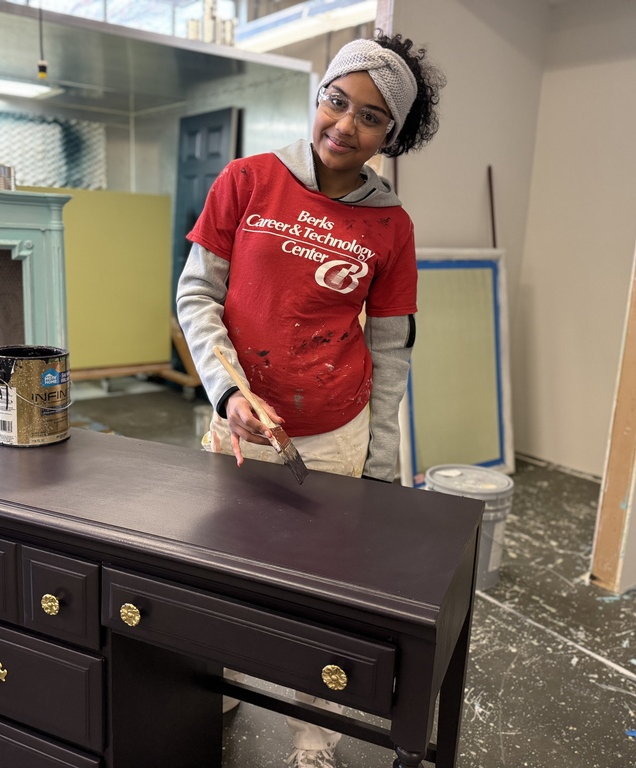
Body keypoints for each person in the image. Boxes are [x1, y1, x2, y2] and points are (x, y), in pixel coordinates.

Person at [176, 31, 445, 768]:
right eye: (336, 101)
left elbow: (390, 353)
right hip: (242, 426)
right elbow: (198, 294)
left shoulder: (390, 226)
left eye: (370, 116)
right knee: (223, 573)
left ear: (393, 135)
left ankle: (311, 740)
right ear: (318, 95)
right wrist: (227, 389)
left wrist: (384, 472)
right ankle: (219, 688)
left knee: (317, 597)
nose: (343, 125)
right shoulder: (247, 180)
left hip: (333, 433)